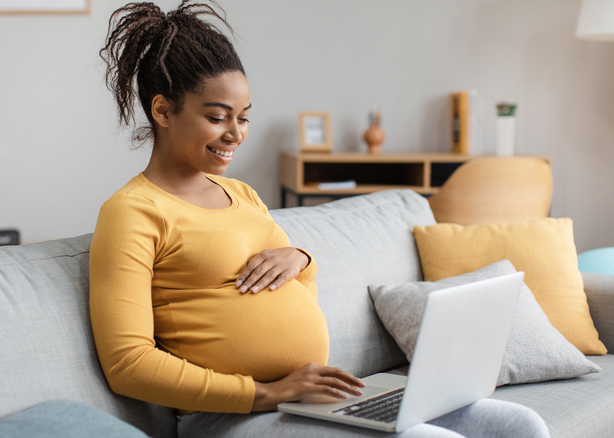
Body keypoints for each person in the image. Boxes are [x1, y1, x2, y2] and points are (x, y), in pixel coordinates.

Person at [89, 2, 550, 436]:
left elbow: (293, 285)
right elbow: (128, 362)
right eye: (217, 117)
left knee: (517, 426)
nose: (235, 134)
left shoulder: (241, 193)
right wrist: (265, 393)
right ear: (163, 110)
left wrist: (299, 259)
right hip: (229, 417)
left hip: (315, 394)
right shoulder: (133, 212)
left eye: (244, 118)